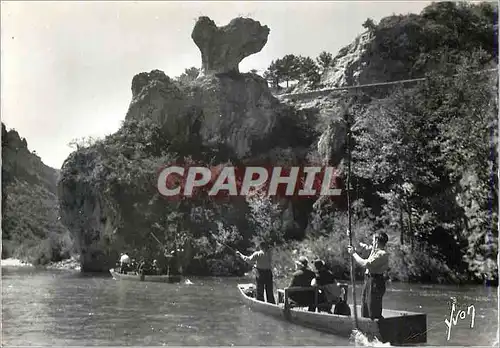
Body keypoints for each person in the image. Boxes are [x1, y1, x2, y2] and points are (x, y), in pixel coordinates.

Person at [347, 231, 390, 319]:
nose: (372, 241)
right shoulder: (373, 250)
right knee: (365, 305)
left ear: (377, 241)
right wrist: (352, 236)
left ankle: (376, 328)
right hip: (368, 280)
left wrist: (353, 254)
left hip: (375, 281)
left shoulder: (382, 254)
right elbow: (360, 247)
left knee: (373, 309)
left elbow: (366, 264)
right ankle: (366, 326)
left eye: (373, 240)